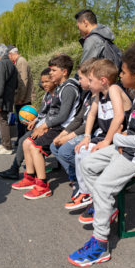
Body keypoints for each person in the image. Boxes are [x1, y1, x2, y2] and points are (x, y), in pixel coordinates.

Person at [68, 44, 135, 267]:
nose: (120, 76)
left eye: (122, 72)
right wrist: (122, 138)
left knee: (103, 188)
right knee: (88, 163)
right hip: (127, 149)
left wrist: (118, 139)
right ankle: (108, 207)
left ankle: (100, 243)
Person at [11, 54, 81, 199]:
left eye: (54, 70)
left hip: (64, 129)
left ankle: (43, 186)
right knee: (26, 142)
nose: (50, 73)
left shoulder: (69, 88)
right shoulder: (61, 88)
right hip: (56, 126)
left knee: (35, 146)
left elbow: (63, 116)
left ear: (64, 72)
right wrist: (41, 123)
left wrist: (44, 126)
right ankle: (30, 177)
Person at [71, 59, 132, 215]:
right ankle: (87, 193)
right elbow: (91, 114)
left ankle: (98, 199)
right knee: (81, 150)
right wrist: (86, 137)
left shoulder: (114, 89)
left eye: (91, 80)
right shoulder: (99, 94)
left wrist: (106, 141)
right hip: (105, 138)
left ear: (103, 81)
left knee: (87, 156)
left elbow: (119, 117)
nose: (89, 84)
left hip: (119, 139)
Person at [0, 68, 56, 179]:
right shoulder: (47, 95)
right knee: (23, 140)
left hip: (48, 127)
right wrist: (34, 120)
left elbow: (54, 116)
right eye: (42, 82)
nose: (43, 85)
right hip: (41, 124)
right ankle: (19, 169)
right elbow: (43, 114)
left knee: (24, 140)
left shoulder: (56, 96)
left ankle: (15, 169)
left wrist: (41, 125)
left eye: (46, 82)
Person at [50, 58, 97, 198]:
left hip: (92, 134)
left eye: (81, 78)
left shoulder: (98, 97)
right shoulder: (88, 95)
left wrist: (68, 137)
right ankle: (75, 178)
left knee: (65, 151)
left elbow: (91, 124)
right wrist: (62, 135)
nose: (79, 81)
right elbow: (78, 119)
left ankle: (87, 180)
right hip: (83, 131)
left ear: (91, 78)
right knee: (54, 145)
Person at [0, 44, 18, 155]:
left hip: (2, 98)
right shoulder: (11, 64)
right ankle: (4, 143)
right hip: (8, 97)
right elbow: (16, 84)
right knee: (3, 121)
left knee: (2, 121)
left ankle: (7, 146)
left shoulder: (1, 64)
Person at [7, 46, 34, 146]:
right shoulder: (19, 61)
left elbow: (23, 82)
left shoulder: (21, 62)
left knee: (23, 121)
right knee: (20, 121)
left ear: (11, 54)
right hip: (21, 98)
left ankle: (23, 141)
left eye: (8, 55)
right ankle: (21, 139)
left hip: (23, 99)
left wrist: (20, 98)